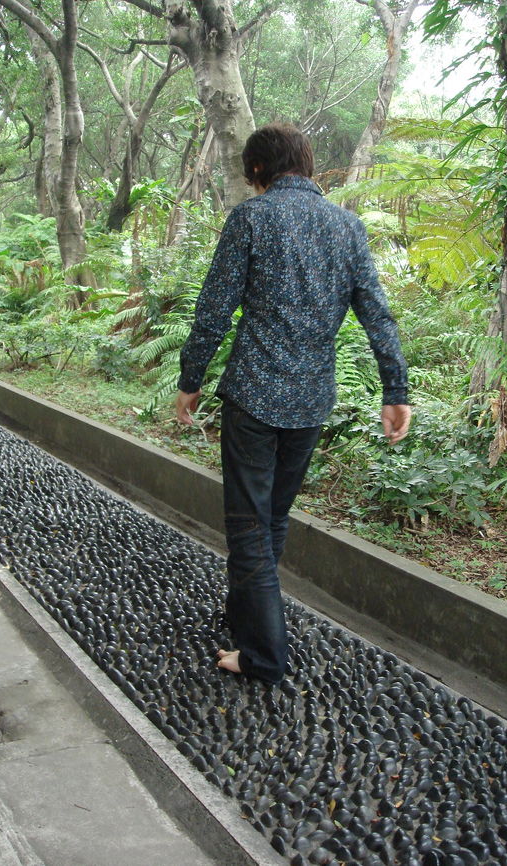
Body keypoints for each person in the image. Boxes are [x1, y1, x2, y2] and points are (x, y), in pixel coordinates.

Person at [175, 124, 411, 685]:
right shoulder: (347, 226)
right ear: (306, 165)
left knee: (249, 526)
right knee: (272, 519)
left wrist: (191, 378)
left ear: (257, 171)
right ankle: (248, 617)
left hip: (254, 397)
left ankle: (262, 656)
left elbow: (214, 310)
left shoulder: (252, 219)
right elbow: (377, 314)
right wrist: (394, 390)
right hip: (310, 401)